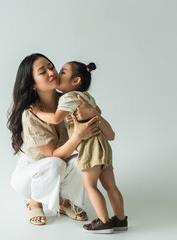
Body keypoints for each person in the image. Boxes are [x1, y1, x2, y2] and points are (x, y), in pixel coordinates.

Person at [30, 61, 127, 233]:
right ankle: (120, 220)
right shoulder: (86, 97)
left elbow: (55, 119)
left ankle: (104, 222)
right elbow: (98, 111)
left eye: (63, 72)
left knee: (90, 186)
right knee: (111, 186)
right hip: (102, 144)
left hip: (89, 146)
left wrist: (37, 112)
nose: (57, 74)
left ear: (75, 81)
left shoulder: (67, 97)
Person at [7, 53, 101, 225]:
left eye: (51, 67)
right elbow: (53, 155)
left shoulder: (68, 99)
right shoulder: (30, 113)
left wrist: (92, 113)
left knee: (85, 159)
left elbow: (96, 112)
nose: (52, 73)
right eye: (43, 72)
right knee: (55, 163)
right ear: (32, 84)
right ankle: (34, 202)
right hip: (29, 175)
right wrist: (78, 135)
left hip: (58, 164)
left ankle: (63, 200)